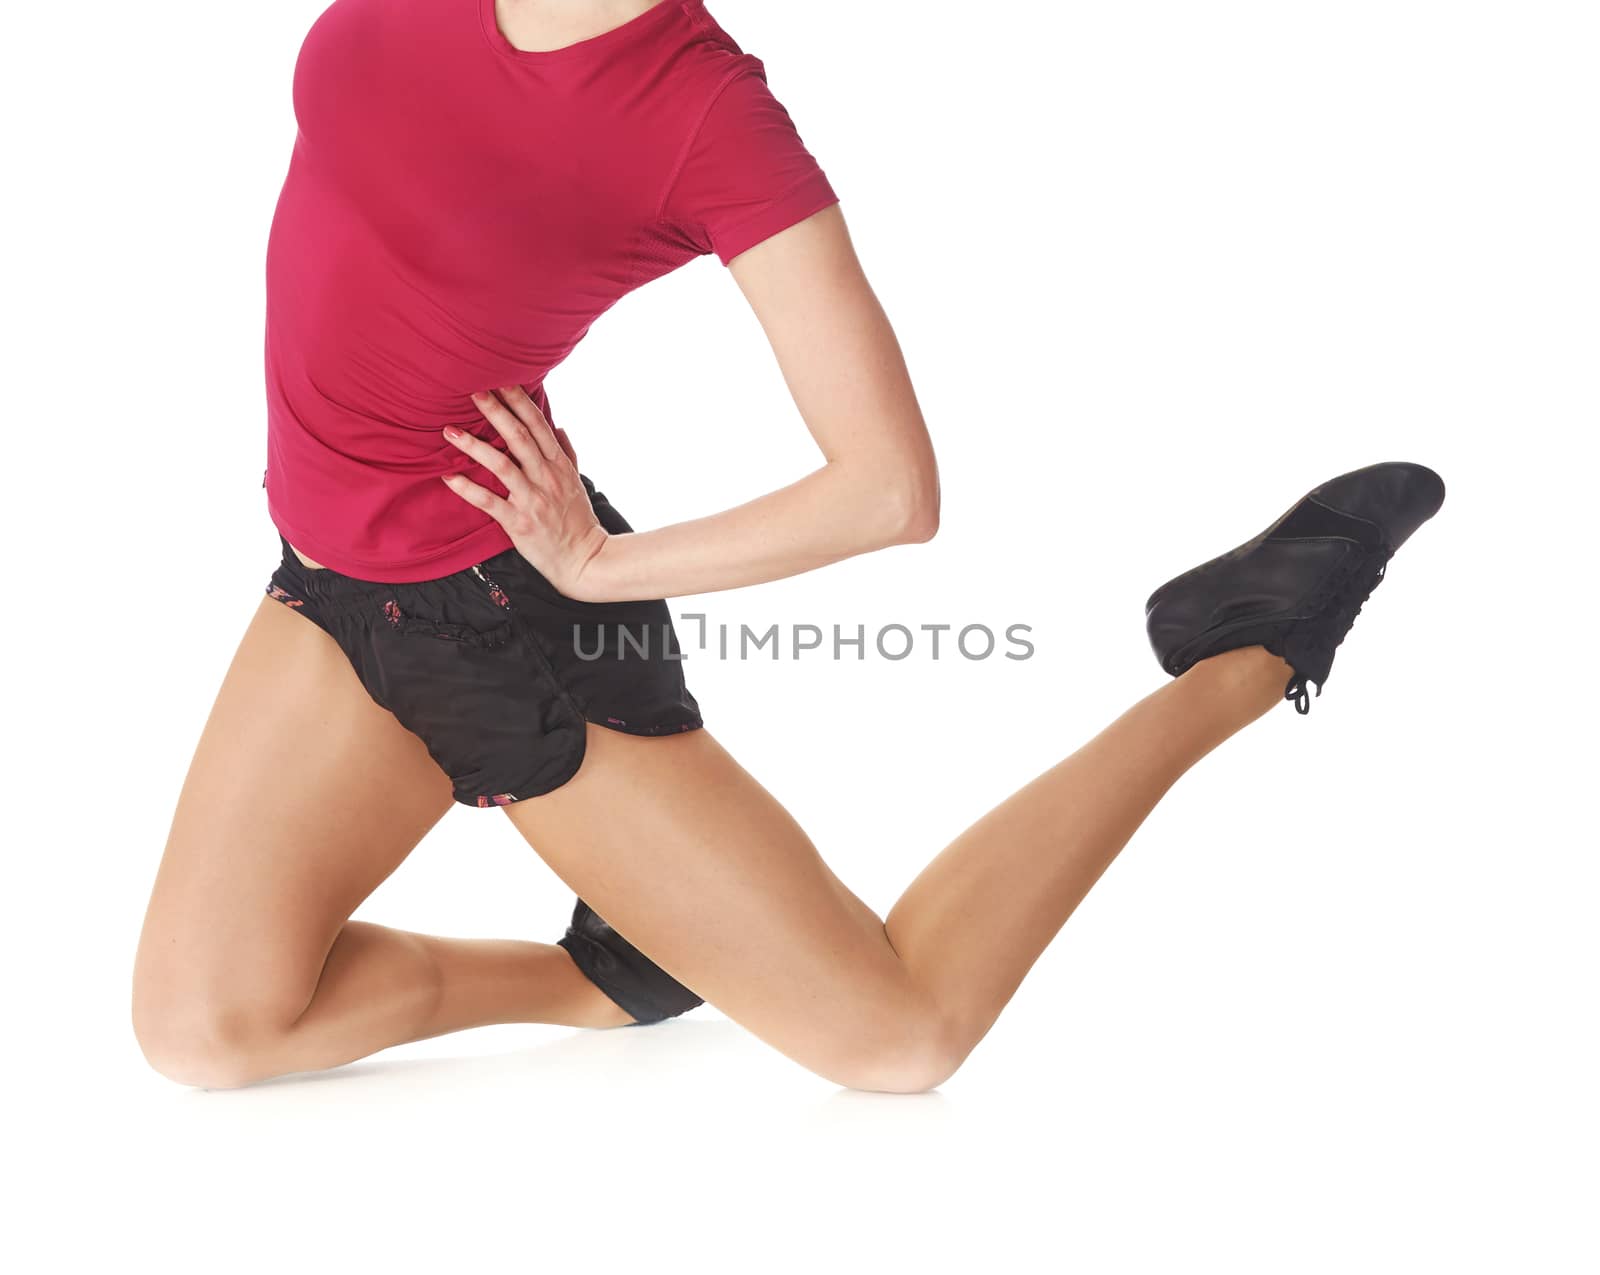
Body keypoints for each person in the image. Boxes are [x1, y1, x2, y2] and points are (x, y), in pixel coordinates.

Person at [132, 0, 1445, 1092]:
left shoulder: (703, 114)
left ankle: (1248, 647)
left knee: (903, 1035)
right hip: (334, 582)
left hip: (507, 621)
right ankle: (610, 974)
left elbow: (888, 489)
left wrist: (594, 569)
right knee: (206, 1028)